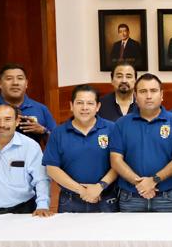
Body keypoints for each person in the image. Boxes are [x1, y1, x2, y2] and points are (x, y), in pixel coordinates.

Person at [108, 74, 172, 213]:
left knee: (168, 229)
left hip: (167, 198)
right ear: (135, 96)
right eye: (143, 91)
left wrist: (154, 180)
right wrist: (140, 184)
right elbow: (116, 160)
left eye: (153, 91)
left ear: (161, 95)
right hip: (131, 197)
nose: (149, 96)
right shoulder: (121, 124)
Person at [43, 85, 118, 213]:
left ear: (98, 106)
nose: (84, 107)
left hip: (105, 198)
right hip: (70, 201)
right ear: (71, 105)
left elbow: (119, 163)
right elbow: (52, 168)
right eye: (79, 103)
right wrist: (82, 190)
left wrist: (100, 187)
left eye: (90, 103)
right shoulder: (58, 133)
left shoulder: (112, 129)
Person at [0, 64, 57, 146]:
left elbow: (58, 143)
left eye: (20, 78)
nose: (15, 83)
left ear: (26, 83)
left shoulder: (41, 108)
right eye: (9, 79)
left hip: (30, 159)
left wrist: (43, 131)